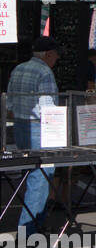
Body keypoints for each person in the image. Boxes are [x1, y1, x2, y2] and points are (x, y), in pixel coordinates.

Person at [6, 38, 61, 235]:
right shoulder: (45, 72)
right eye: (56, 55)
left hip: (20, 125)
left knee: (31, 174)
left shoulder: (19, 68)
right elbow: (48, 108)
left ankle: (35, 224)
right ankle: (28, 230)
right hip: (39, 127)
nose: (57, 59)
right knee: (41, 176)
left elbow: (9, 102)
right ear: (49, 54)